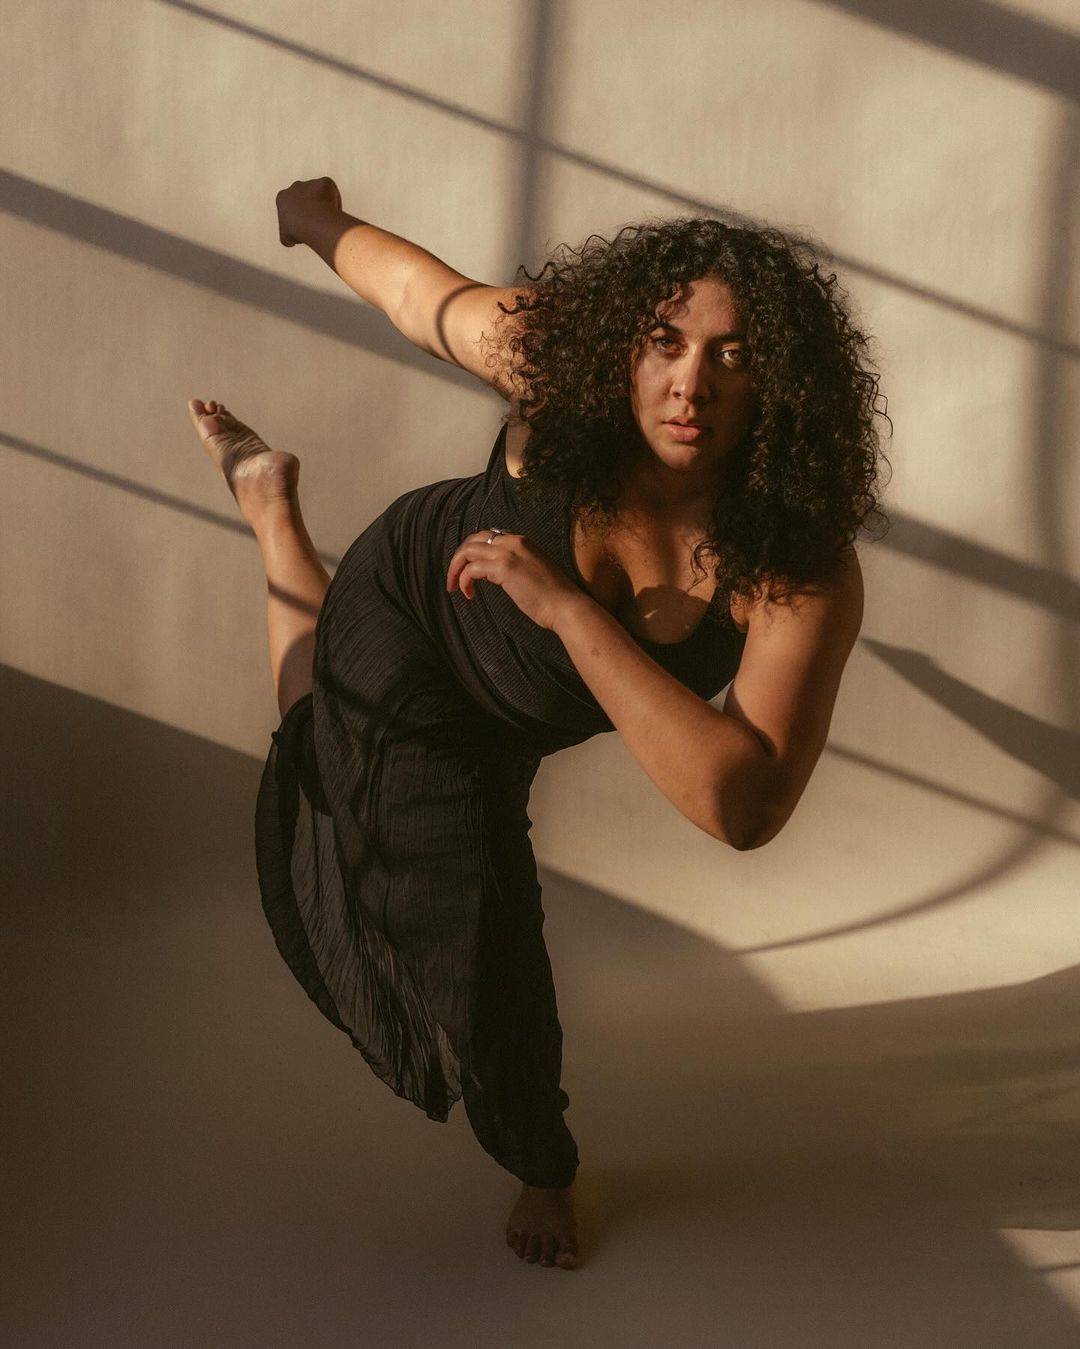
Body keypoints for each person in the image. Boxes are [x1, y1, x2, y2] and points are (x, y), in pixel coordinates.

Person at [185, 176, 889, 1272]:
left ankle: (271, 511)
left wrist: (566, 609)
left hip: (519, 704)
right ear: (627, 344)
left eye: (735, 355)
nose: (689, 382)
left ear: (782, 384)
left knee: (376, 798)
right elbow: (422, 297)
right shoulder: (556, 369)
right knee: (423, 881)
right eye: (665, 342)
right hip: (414, 608)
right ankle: (275, 512)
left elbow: (741, 803)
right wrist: (317, 221)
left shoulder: (794, 566)